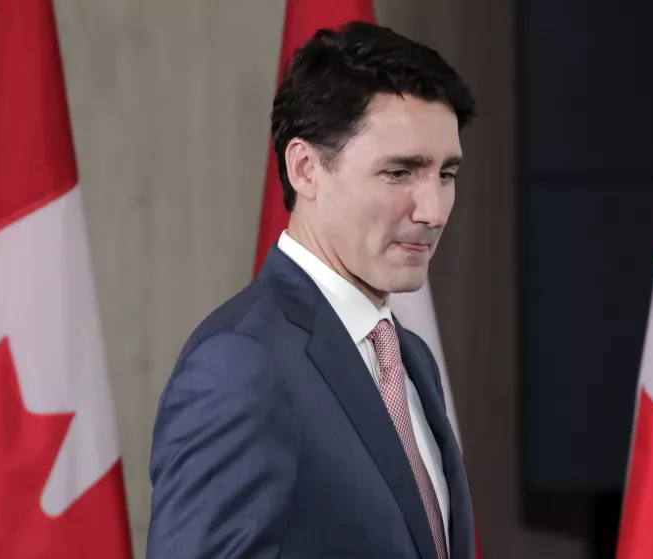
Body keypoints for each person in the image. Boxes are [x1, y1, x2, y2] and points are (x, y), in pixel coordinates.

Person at [146, 21, 477, 559]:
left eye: (446, 174)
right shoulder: (241, 365)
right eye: (399, 173)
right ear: (305, 169)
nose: (433, 211)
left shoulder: (411, 359)